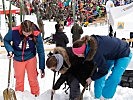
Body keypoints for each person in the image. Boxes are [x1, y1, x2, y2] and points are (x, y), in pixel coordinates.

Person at [72, 35, 132, 100]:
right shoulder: (88, 44)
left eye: (77, 55)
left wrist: (92, 78)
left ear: (81, 53)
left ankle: (105, 97)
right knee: (99, 77)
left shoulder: (96, 53)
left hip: (124, 52)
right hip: (110, 54)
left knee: (115, 77)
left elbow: (104, 70)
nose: (78, 56)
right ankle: (97, 97)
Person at [4, 20, 45, 96]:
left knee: (33, 79)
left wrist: (42, 67)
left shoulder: (36, 34)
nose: (26, 35)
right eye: (24, 33)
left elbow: (41, 51)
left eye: (28, 33)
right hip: (18, 58)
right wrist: (10, 50)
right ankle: (19, 96)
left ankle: (36, 95)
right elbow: (6, 40)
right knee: (19, 81)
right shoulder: (14, 32)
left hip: (31, 58)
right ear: (21, 29)